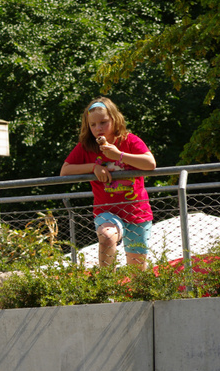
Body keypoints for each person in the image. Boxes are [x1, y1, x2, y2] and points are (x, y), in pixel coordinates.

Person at [60, 97, 156, 269]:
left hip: (137, 213)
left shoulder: (130, 140)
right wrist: (94, 167)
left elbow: (150, 163)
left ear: (114, 119)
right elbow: (65, 171)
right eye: (93, 125)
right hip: (107, 212)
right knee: (106, 237)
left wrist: (119, 155)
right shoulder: (86, 146)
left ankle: (134, 295)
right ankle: (106, 288)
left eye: (103, 122)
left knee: (137, 274)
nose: (98, 129)